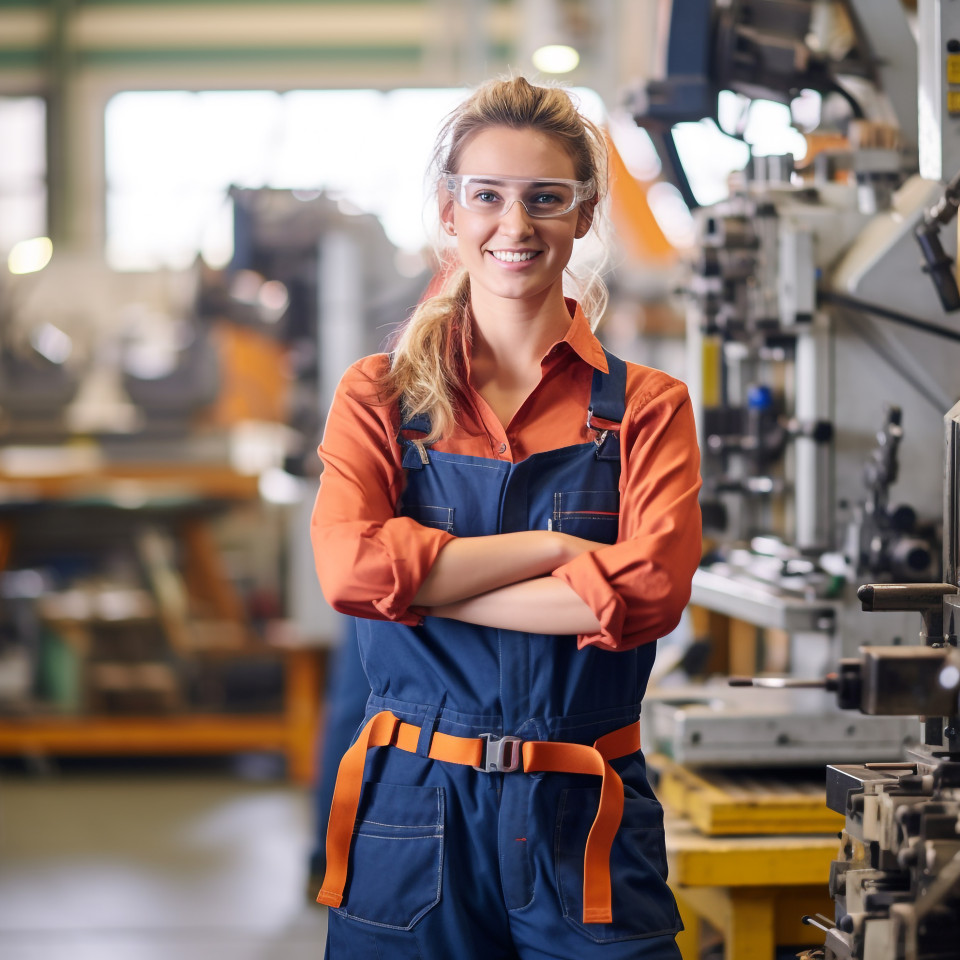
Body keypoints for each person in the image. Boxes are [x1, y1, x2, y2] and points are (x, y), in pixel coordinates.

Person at [310, 75, 702, 960]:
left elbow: (646, 596)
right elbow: (350, 576)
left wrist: (422, 589)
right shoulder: (377, 397)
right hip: (412, 814)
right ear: (451, 211)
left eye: (545, 200)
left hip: (584, 816)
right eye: (486, 196)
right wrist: (557, 551)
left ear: (585, 214)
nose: (514, 227)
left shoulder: (648, 407)